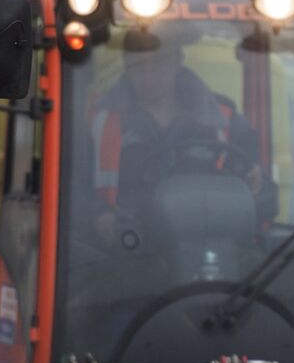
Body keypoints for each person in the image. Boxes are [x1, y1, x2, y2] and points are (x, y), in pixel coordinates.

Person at [86, 36, 272, 245]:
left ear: (178, 60)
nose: (148, 76)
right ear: (126, 64)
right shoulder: (98, 123)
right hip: (125, 255)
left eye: (159, 63)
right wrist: (100, 218)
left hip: (211, 248)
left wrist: (258, 190)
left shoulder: (225, 120)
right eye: (138, 66)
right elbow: (69, 199)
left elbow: (266, 200)